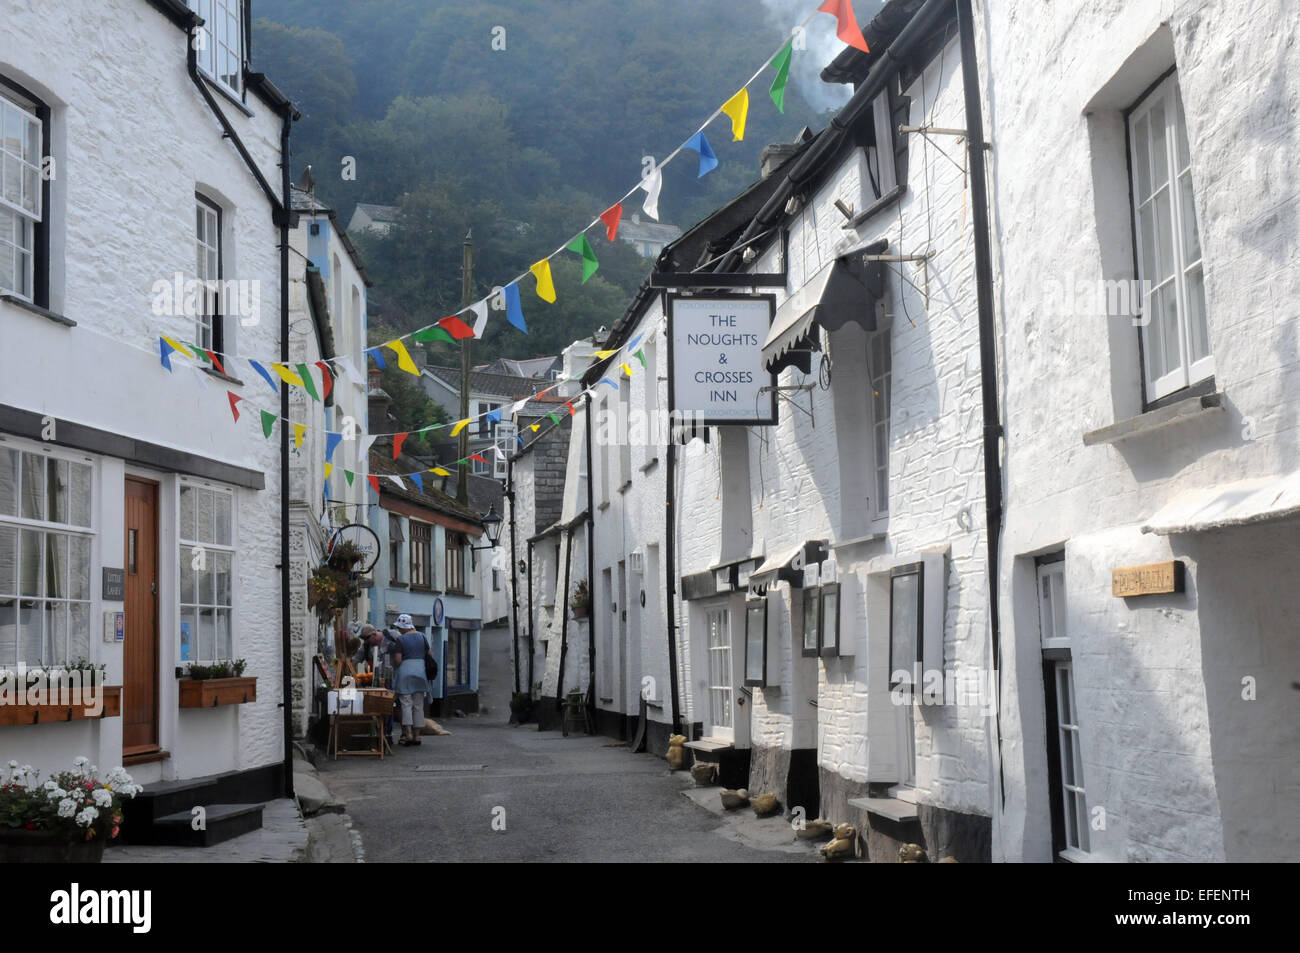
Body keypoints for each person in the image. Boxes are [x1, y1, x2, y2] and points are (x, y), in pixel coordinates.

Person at [390, 613, 431, 746]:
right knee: (418, 705)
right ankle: (417, 736)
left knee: (406, 704)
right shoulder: (422, 637)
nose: (399, 630)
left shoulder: (400, 640)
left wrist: (395, 666)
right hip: (420, 672)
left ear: (403, 627)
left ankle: (408, 733)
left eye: (399, 628)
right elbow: (429, 655)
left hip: (405, 673)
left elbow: (398, 659)